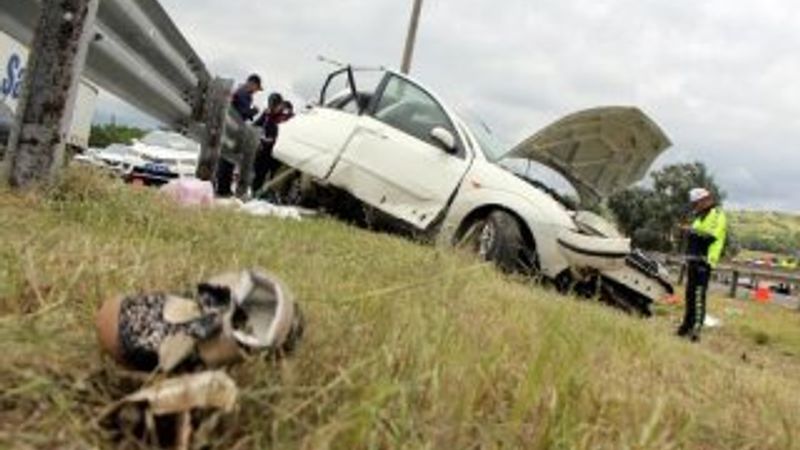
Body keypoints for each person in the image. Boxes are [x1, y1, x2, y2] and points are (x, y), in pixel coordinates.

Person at [677, 187, 727, 342]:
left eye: (696, 203)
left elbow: (709, 236)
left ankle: (696, 330)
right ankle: (686, 326)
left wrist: (689, 230)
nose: (695, 206)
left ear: (706, 200)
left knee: (698, 296)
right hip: (693, 260)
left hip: (705, 261)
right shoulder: (699, 217)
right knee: (689, 295)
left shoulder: (717, 214)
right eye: (694, 204)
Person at [216, 74, 263, 197]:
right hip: (233, 130)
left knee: (226, 159)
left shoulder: (239, 91)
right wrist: (255, 111)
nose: (255, 92)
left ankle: (222, 188)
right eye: (256, 89)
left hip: (228, 128)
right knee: (228, 160)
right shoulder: (244, 94)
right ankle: (223, 189)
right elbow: (242, 113)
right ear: (252, 84)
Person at [251, 93, 285, 195]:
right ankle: (255, 193)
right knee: (258, 172)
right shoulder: (266, 114)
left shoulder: (285, 116)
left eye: (275, 106)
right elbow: (256, 125)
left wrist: (273, 140)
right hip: (264, 149)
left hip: (277, 150)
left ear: (280, 105)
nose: (273, 109)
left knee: (274, 174)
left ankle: (272, 194)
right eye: (271, 106)